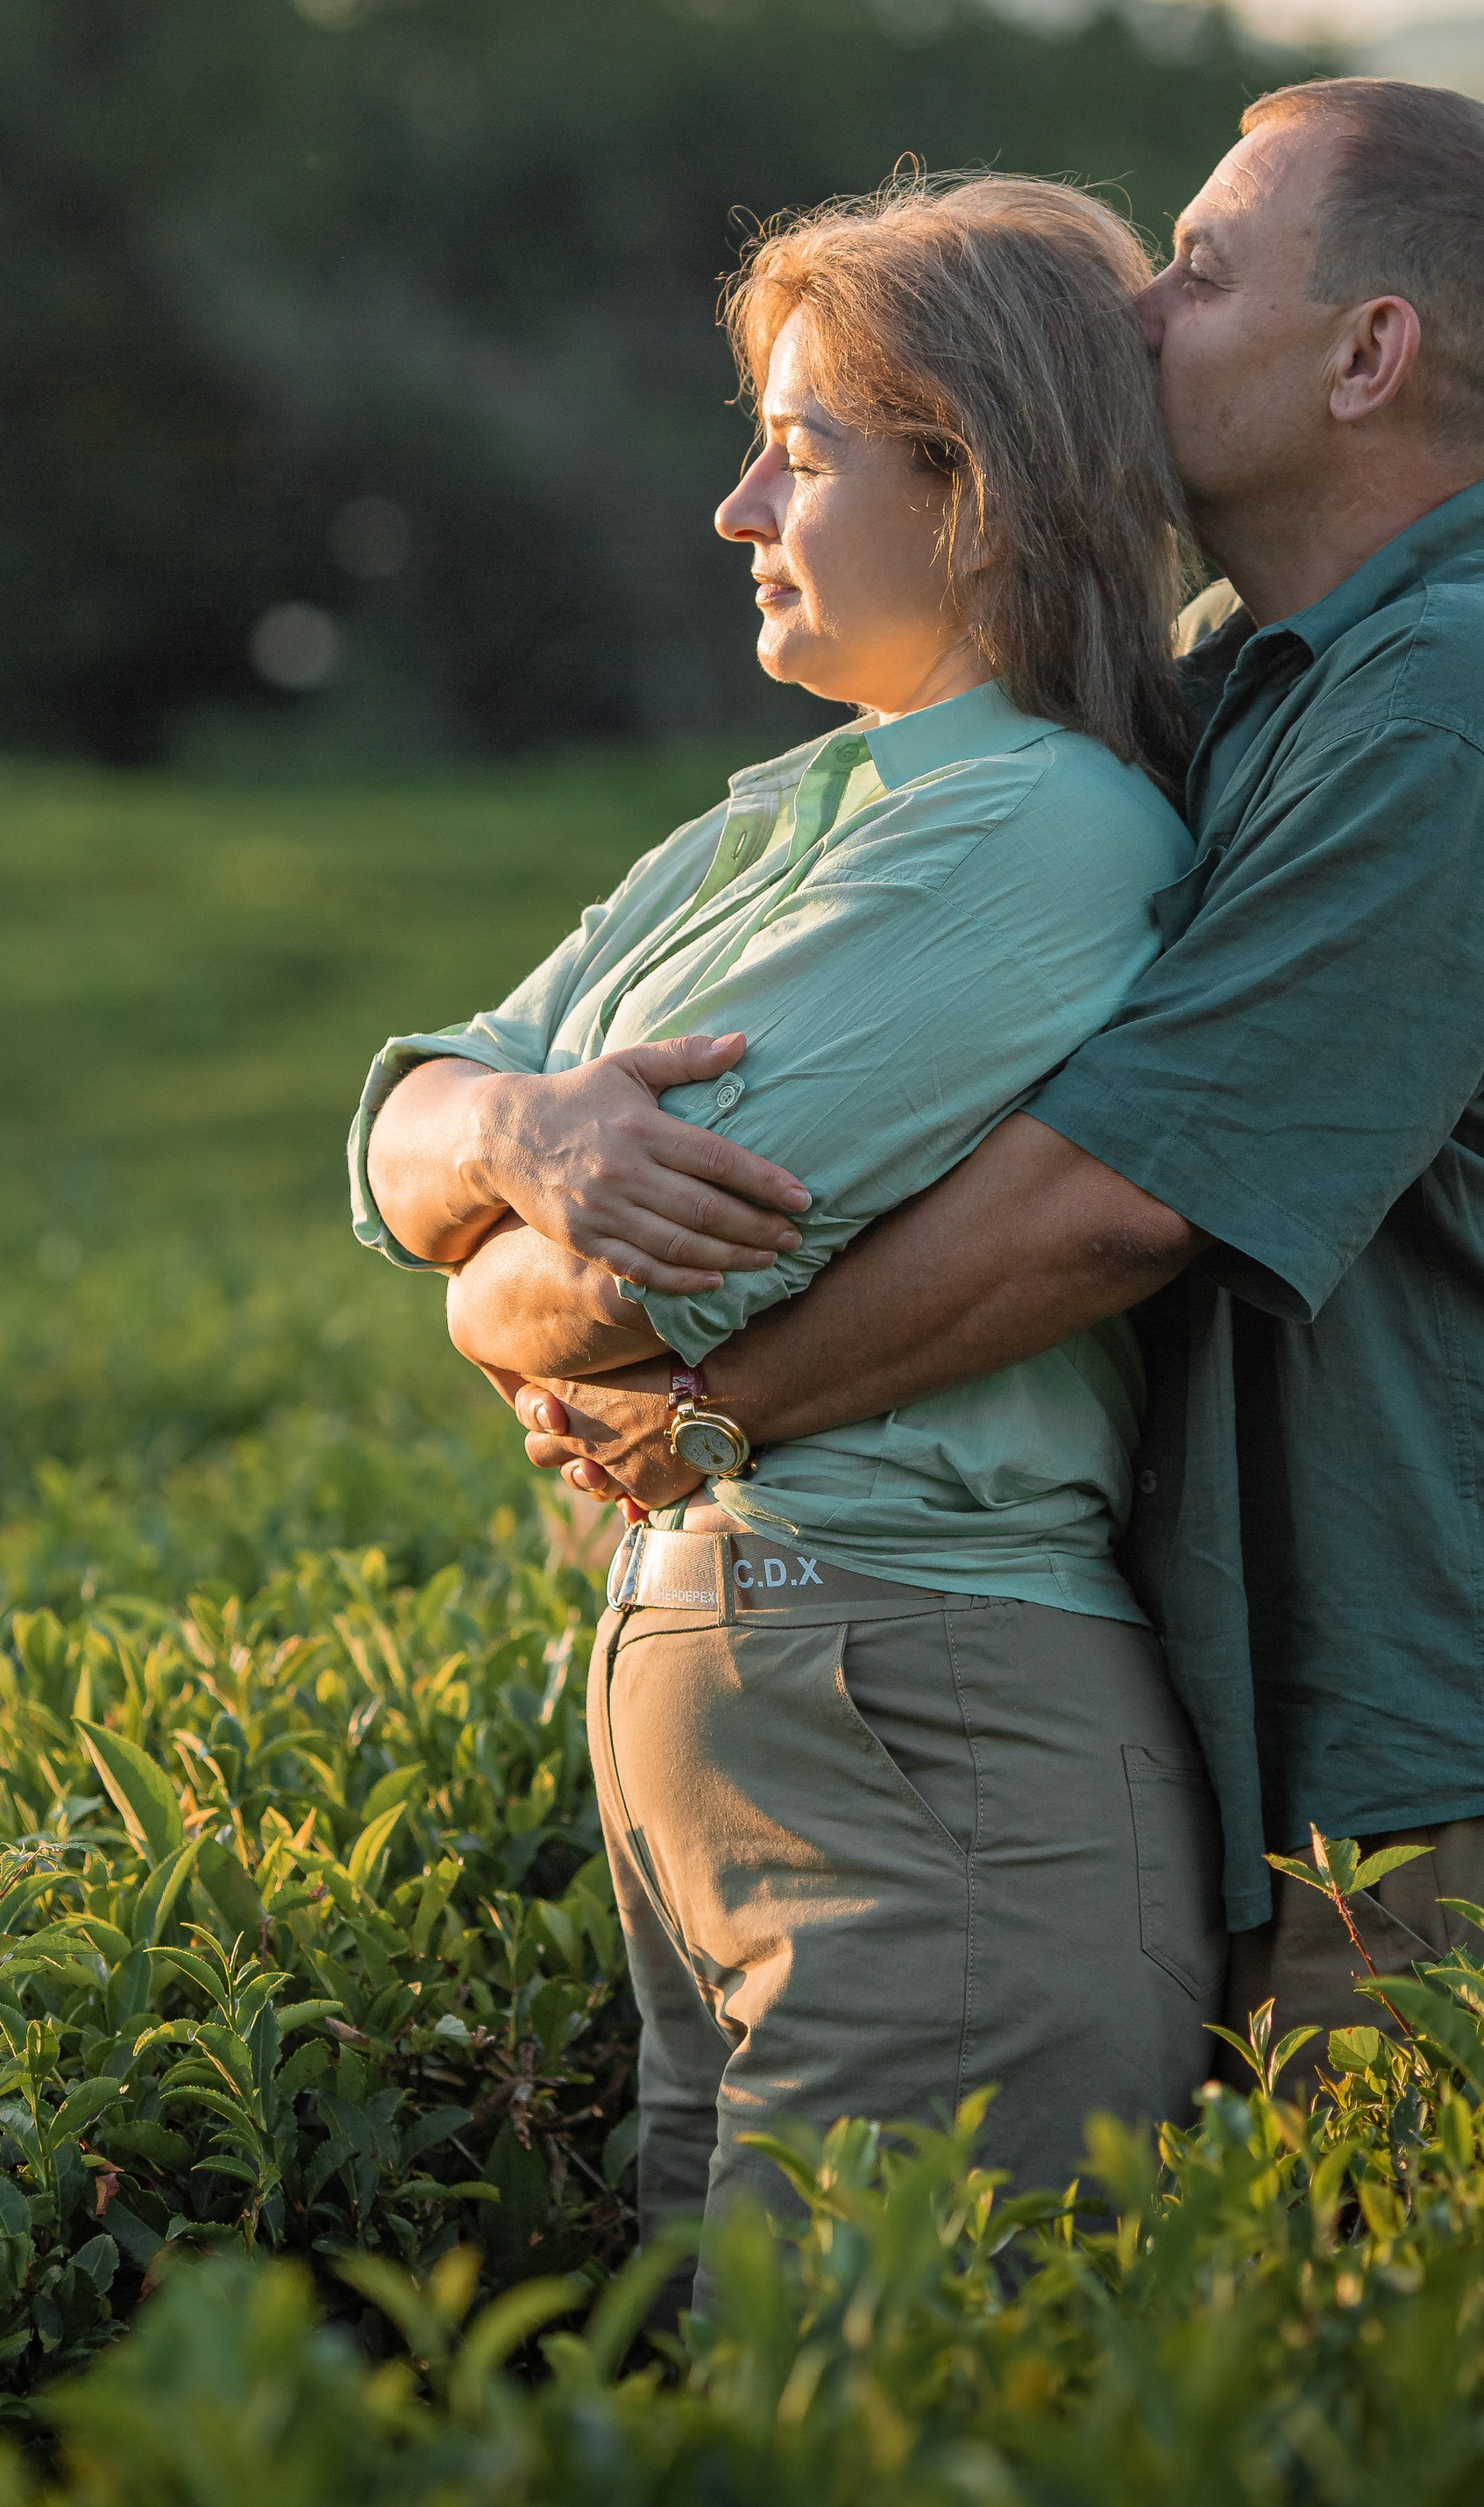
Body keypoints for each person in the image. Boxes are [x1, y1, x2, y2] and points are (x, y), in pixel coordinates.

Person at [502, 79, 1484, 2064]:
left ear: (1367, 356)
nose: (1138, 311)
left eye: (1199, 268)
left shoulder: (1460, 709)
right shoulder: (1249, 673)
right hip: (1286, 1731)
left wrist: (718, 1408)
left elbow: (1117, 1196)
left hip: (1446, 1767)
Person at [351, 173, 1229, 2262]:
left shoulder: (1033, 832)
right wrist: (521, 1137)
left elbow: (595, 1306)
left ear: (984, 489)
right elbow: (399, 1126)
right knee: (748, 2437)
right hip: (788, 1696)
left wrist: (507, 1222)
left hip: (923, 1720)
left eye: (800, 450)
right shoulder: (799, 808)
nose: (739, 508)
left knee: (880, 2450)